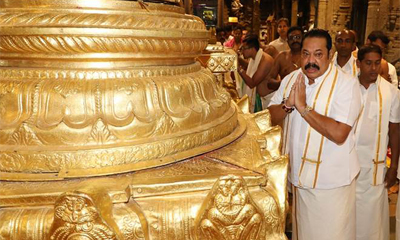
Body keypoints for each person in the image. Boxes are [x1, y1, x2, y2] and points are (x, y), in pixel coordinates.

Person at [268, 29, 362, 240]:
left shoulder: (346, 84)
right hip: (299, 179)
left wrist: (302, 108)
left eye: (318, 54)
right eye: (306, 54)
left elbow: (339, 133)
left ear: (330, 55)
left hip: (332, 184)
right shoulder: (292, 78)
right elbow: (269, 117)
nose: (311, 61)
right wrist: (287, 105)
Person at [354, 44, 400, 240]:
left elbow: (395, 131)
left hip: (375, 168)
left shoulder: (391, 92)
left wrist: (393, 168)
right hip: (346, 167)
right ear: (358, 64)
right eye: (368, 63)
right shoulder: (346, 87)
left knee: (371, 224)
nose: (373, 68)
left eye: (376, 63)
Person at [258, 26, 303, 105]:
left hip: (306, 99)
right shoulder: (282, 56)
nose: (295, 40)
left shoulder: (309, 57)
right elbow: (269, 81)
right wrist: (284, 83)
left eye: (298, 37)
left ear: (304, 39)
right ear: (287, 41)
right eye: (291, 38)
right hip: (285, 100)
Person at [237, 34, 274, 113]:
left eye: (243, 49)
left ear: (252, 49)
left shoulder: (265, 61)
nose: (242, 51)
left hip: (270, 100)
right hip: (261, 99)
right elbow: (251, 69)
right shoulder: (254, 58)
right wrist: (238, 59)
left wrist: (238, 69)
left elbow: (252, 83)